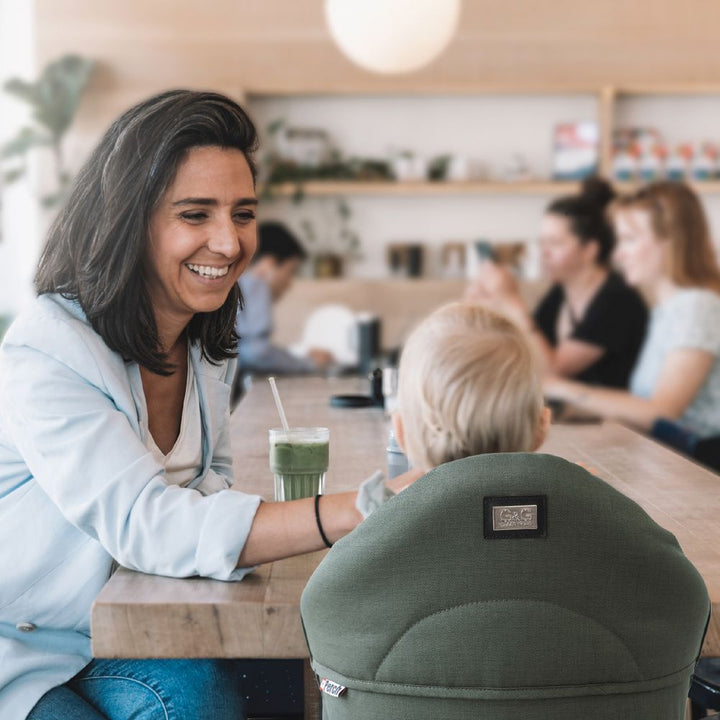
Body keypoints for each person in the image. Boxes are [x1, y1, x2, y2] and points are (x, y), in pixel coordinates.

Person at [0, 90, 419, 720]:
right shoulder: (49, 351)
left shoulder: (205, 345)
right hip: (24, 646)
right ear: (128, 220)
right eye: (196, 214)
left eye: (243, 213)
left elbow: (206, 488)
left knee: (247, 688)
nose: (228, 243)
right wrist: (365, 506)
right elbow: (147, 522)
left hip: (130, 631)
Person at [544, 181, 720, 437]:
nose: (618, 254)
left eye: (629, 239)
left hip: (699, 468)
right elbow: (644, 405)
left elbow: (663, 413)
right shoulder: (669, 309)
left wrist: (560, 388)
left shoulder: (696, 306)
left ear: (670, 240)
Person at [466, 178, 648, 388]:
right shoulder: (561, 291)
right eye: (542, 242)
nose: (544, 253)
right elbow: (526, 349)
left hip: (610, 419)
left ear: (590, 250)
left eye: (555, 243)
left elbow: (554, 371)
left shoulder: (617, 300)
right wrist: (487, 306)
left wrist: (512, 302)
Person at [236, 221, 333, 374]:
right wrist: (308, 363)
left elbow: (255, 347)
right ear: (269, 263)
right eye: (291, 271)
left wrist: (298, 359)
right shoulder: (256, 285)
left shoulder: (239, 285)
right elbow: (256, 353)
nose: (289, 283)